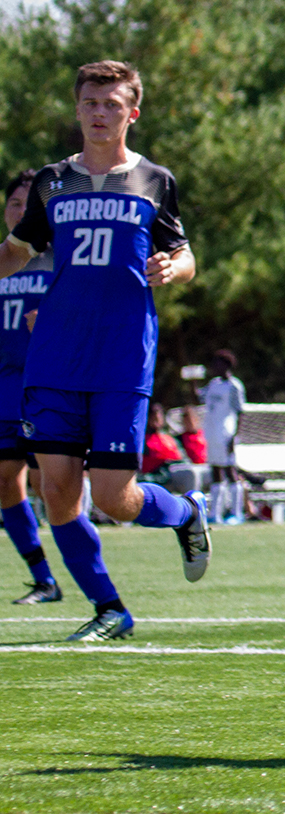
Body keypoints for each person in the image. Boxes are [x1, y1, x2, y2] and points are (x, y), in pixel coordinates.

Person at [0, 60, 210, 642]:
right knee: (59, 492)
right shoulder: (52, 181)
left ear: (132, 113)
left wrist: (174, 269)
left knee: (116, 499)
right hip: (54, 357)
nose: (100, 113)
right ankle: (109, 609)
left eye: (112, 104)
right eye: (91, 103)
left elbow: (186, 256)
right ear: (77, 109)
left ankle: (187, 512)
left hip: (121, 356)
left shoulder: (154, 180)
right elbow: (16, 251)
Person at [0, 168, 60, 604]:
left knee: (51, 486)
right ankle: (44, 580)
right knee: (5, 481)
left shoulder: (62, 258)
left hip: (48, 389)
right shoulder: (2, 261)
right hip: (6, 389)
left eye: (30, 205)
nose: (22, 212)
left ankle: (93, 580)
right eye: (15, 204)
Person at [197, 349, 247, 524]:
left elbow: (240, 412)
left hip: (226, 433)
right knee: (215, 471)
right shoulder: (213, 384)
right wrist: (193, 381)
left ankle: (236, 512)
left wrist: (234, 437)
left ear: (226, 365)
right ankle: (215, 514)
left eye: (217, 363)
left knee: (230, 471)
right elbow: (199, 398)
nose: (213, 367)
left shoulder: (234, 386)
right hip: (212, 432)